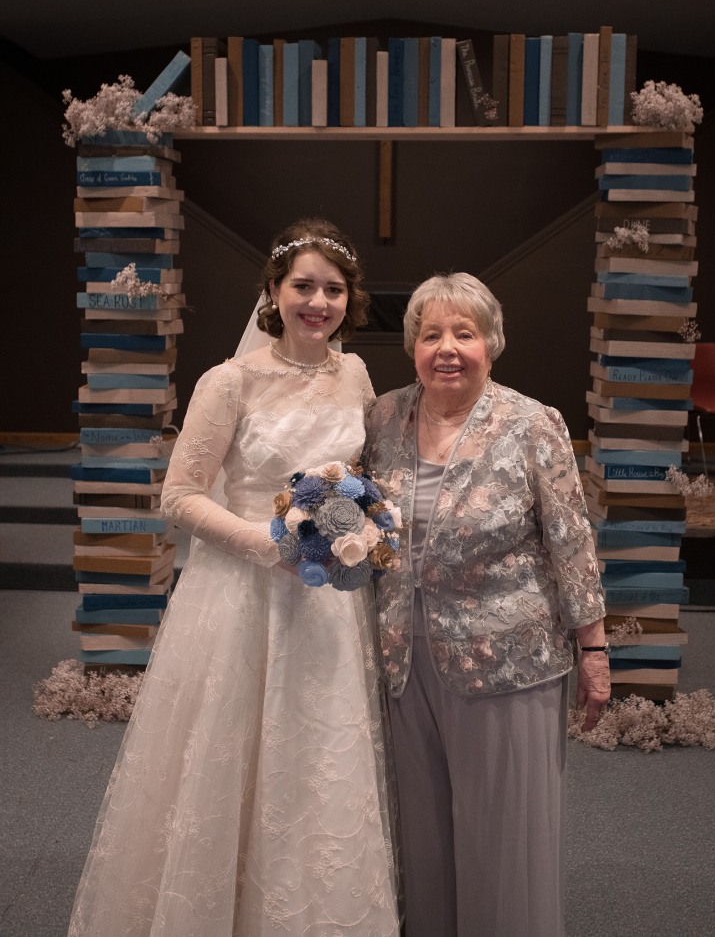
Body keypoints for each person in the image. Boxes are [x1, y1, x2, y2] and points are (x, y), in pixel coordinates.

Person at [68, 219, 400, 937]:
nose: (318, 301)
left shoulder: (355, 375)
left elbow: (359, 475)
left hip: (327, 603)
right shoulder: (230, 380)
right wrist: (269, 542)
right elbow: (180, 495)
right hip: (244, 593)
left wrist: (358, 527)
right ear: (273, 294)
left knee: (318, 759)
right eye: (303, 286)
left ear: (351, 299)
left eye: (333, 289)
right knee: (229, 759)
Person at [362, 272, 610, 937]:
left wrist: (594, 649)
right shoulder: (381, 418)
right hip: (402, 660)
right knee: (423, 838)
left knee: (503, 841)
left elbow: (572, 544)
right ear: (412, 345)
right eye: (431, 333)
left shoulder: (533, 424)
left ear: (491, 344)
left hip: (510, 663)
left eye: (463, 334)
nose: (447, 347)